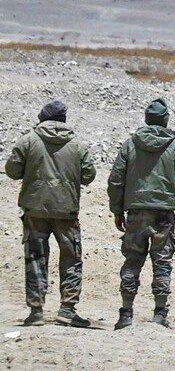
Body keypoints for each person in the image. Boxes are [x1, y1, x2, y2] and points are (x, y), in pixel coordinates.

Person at [5, 100, 95, 327]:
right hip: (66, 211)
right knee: (71, 259)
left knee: (35, 258)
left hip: (35, 210)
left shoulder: (28, 140)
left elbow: (12, 170)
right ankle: (67, 310)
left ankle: (36, 312)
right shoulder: (77, 145)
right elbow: (89, 176)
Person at [107, 98, 175, 330]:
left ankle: (126, 314)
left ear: (146, 119)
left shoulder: (130, 145)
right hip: (164, 215)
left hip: (135, 212)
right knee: (162, 263)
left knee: (132, 262)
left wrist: (117, 210)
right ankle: (159, 314)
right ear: (166, 120)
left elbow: (116, 180)